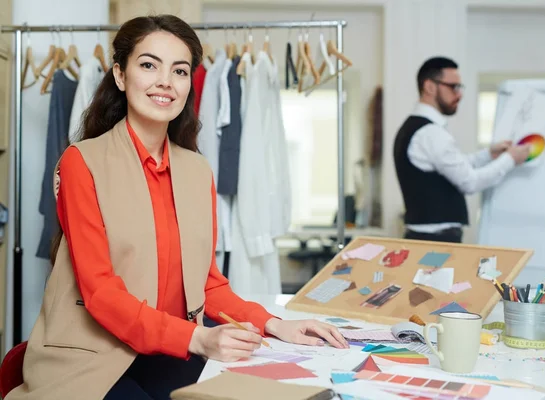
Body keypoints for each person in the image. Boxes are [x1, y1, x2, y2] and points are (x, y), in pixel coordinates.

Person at [7, 15, 348, 400]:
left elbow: (207, 285)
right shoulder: (81, 162)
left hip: (168, 348)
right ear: (120, 75)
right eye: (149, 65)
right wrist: (199, 338)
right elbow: (101, 292)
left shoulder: (197, 170)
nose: (165, 81)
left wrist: (273, 324)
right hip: (93, 355)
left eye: (180, 70)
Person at [393, 56, 530, 243]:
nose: (459, 94)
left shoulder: (415, 128)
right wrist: (510, 160)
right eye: (453, 87)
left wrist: (489, 155)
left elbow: (451, 167)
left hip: (425, 238)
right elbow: (469, 182)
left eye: (460, 87)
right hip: (435, 241)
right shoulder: (431, 134)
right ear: (430, 87)